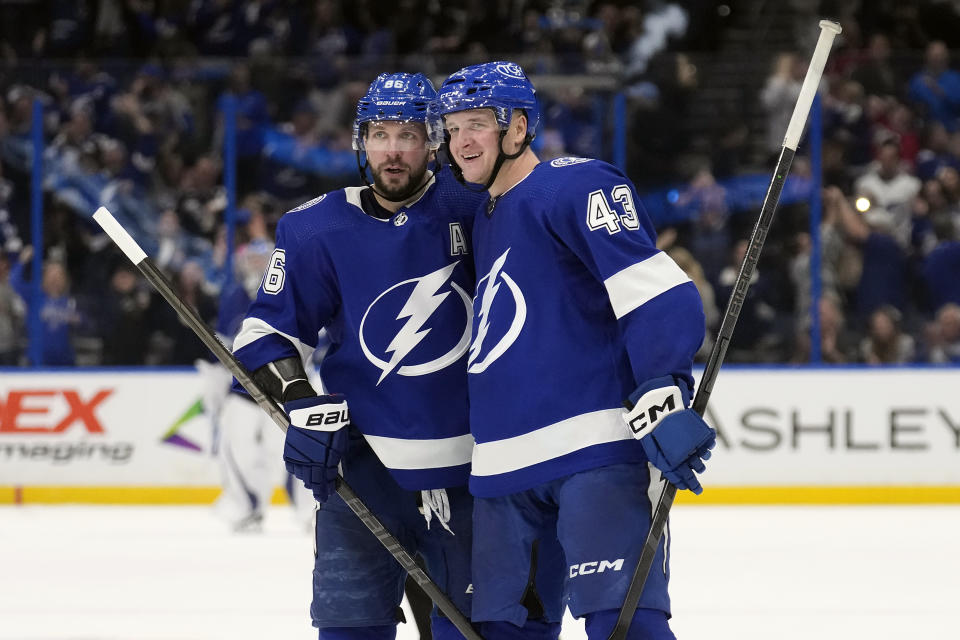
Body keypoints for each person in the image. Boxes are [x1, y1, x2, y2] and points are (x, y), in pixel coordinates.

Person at [432, 61, 716, 640]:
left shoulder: (574, 185)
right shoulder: (481, 215)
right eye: (453, 126)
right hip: (499, 470)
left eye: (478, 123)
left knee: (623, 624)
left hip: (592, 452)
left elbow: (660, 295)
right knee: (504, 631)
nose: (462, 140)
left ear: (518, 128)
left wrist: (663, 386)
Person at [232, 72, 487, 640]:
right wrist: (302, 404)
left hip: (476, 472)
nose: (393, 151)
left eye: (408, 135)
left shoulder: (479, 208)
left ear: (433, 143)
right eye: (379, 134)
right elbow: (267, 334)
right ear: (360, 142)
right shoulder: (314, 226)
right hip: (364, 470)